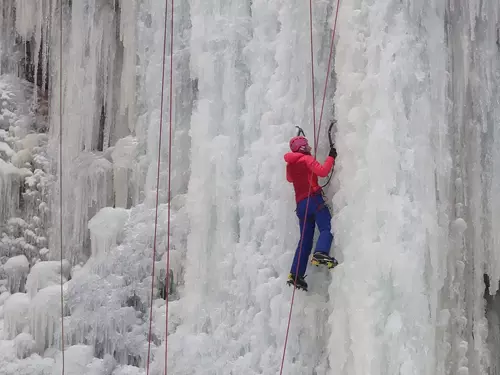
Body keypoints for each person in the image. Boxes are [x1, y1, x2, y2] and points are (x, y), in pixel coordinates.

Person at [284, 135, 338, 291]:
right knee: (327, 227)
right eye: (306, 145)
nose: (310, 147)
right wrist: (331, 157)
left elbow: (289, 179)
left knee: (305, 240)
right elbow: (323, 172)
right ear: (302, 148)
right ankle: (321, 252)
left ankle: (295, 274)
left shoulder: (290, 166)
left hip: (301, 206)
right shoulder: (306, 160)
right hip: (313, 200)